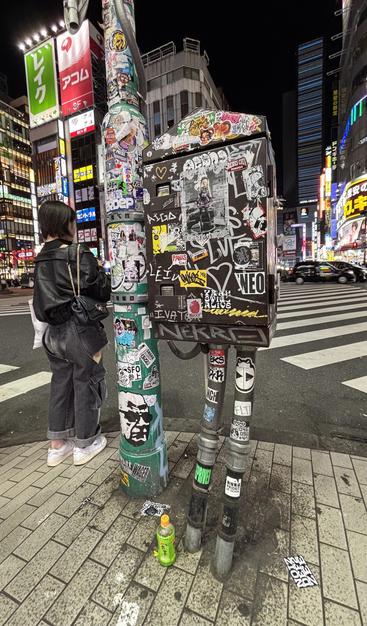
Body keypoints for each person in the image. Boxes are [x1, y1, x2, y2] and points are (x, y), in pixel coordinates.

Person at [33, 200, 111, 467]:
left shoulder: (40, 256)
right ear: (64, 223)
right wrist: (100, 269)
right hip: (78, 330)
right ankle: (85, 443)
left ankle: (57, 446)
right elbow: (102, 290)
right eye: (72, 222)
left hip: (51, 334)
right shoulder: (77, 253)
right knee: (86, 381)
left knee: (60, 383)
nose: (74, 227)